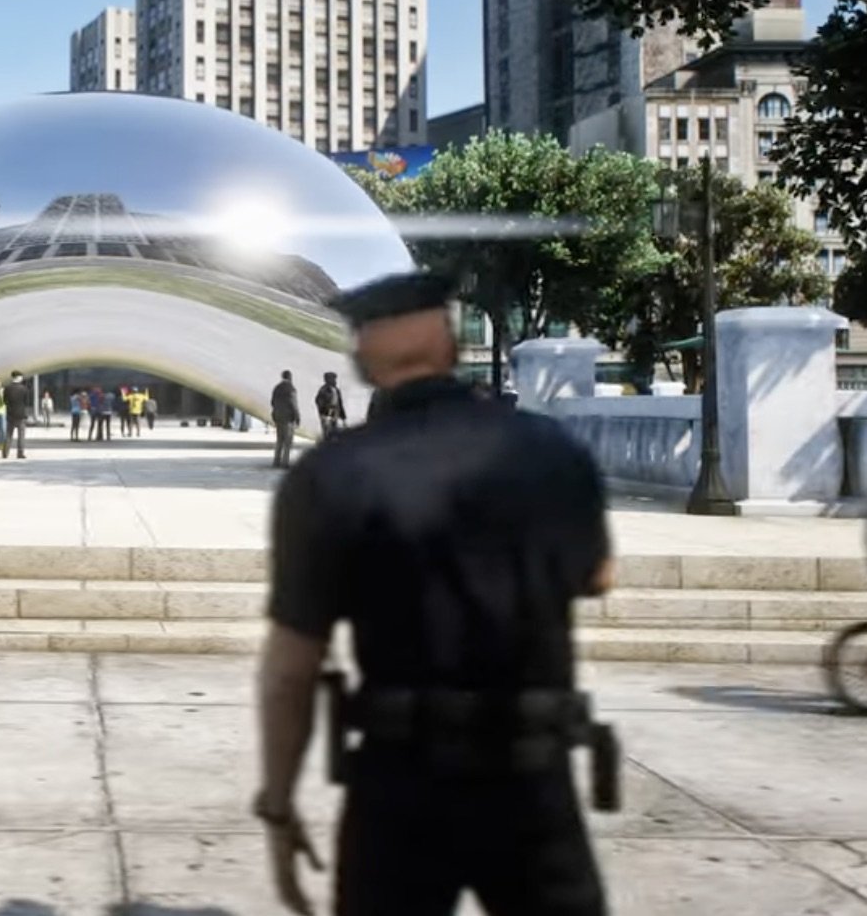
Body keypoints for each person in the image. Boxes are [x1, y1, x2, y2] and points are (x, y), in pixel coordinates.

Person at [255, 271, 615, 916]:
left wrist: (278, 806)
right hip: (530, 773)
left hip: (400, 780)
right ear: (451, 345)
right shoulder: (549, 451)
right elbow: (598, 577)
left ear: (363, 356)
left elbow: (290, 668)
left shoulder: (330, 475)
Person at [269, 370, 301, 469]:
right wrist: (297, 417)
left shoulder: (277, 388)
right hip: (288, 418)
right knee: (288, 441)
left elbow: (272, 402)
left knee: (279, 440)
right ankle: (285, 462)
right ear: (290, 377)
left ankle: (276, 461)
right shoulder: (291, 389)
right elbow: (293, 404)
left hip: (278, 416)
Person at [3, 370, 33, 459]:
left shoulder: (7, 388)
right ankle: (20, 453)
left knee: (8, 434)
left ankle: (5, 453)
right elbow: (26, 402)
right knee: (21, 435)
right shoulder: (24, 389)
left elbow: (5, 401)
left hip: (10, 414)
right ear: (19, 378)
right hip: (21, 415)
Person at [314, 371, 347, 439]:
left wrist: (343, 416)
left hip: (334, 413)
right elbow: (318, 401)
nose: (335, 381)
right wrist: (323, 413)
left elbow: (340, 403)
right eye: (333, 379)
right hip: (326, 414)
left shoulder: (336, 390)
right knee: (327, 431)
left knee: (334, 430)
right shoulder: (323, 390)